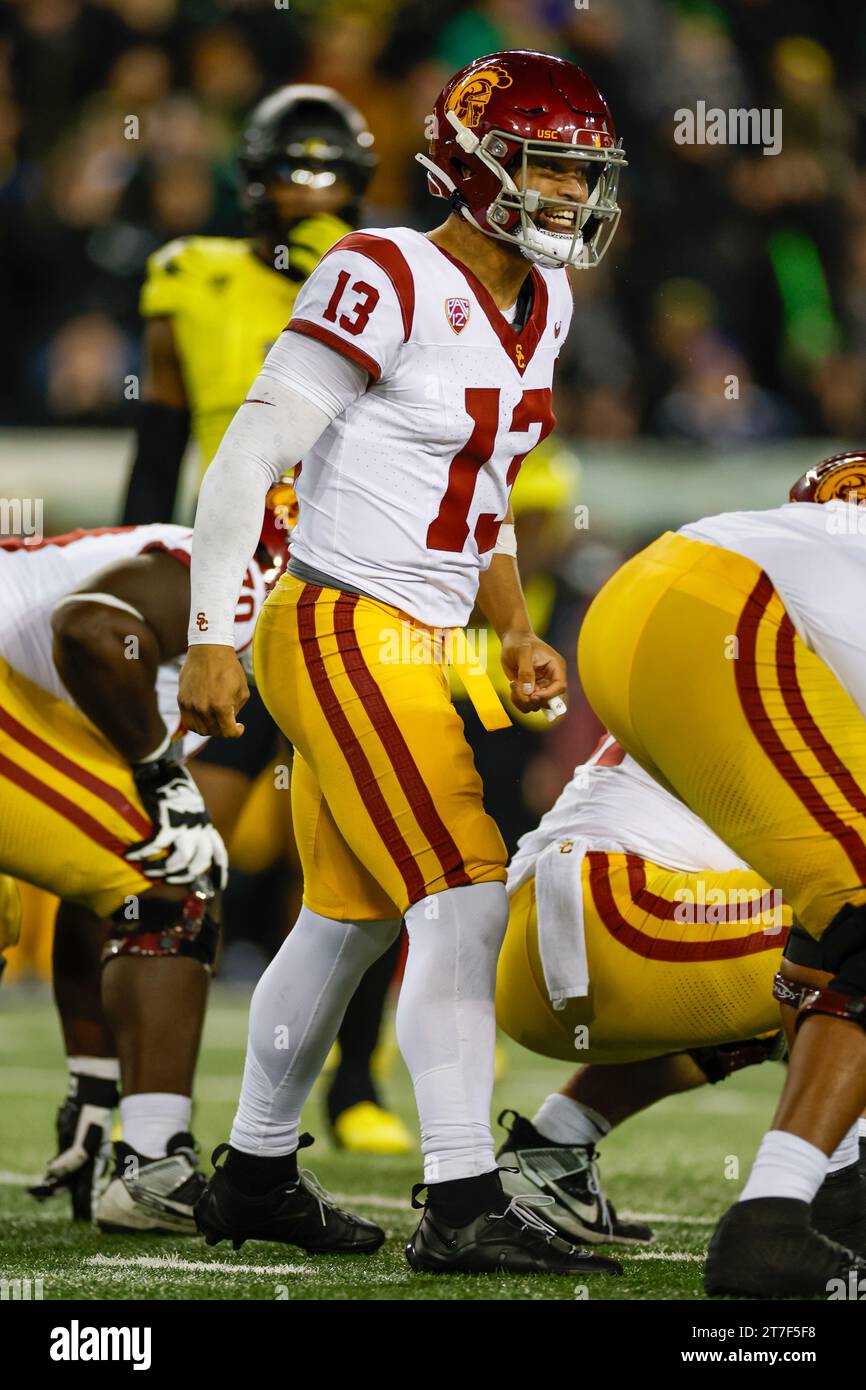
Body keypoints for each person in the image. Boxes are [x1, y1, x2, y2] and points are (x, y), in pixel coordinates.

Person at [179, 49, 627, 1275]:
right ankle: (460, 1197)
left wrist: (515, 626)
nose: (564, 194)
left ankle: (258, 1173)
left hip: (424, 634)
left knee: (350, 917)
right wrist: (212, 633)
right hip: (334, 620)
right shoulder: (381, 270)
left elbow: (482, 490)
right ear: (470, 164)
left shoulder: (551, 301)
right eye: (543, 166)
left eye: (580, 173)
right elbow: (246, 459)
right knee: (465, 883)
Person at [121, 83, 409, 1156]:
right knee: (175, 847)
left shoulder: (383, 273)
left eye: (330, 173)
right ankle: (127, 1103)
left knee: (361, 858)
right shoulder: (187, 272)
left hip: (342, 583)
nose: (310, 192)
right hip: (222, 594)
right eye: (295, 169)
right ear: (254, 173)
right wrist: (137, 576)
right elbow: (156, 446)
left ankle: (353, 1088)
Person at [577, 450, 866, 1297]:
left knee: (838, 907)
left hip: (642, 603)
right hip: (727, 619)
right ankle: (776, 1217)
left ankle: (833, 1188)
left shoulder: (804, 539)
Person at [494, 732, 866, 1256]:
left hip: (546, 939)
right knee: (845, 935)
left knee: (779, 1002)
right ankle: (843, 1183)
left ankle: (552, 1147)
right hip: (606, 917)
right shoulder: (811, 681)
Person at [0, 519, 266, 1227]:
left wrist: (94, 1086)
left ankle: (120, 1131)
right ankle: (155, 1166)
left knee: (135, 862)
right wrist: (158, 770)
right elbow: (90, 627)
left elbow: (97, 889)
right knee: (177, 869)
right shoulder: (241, 583)